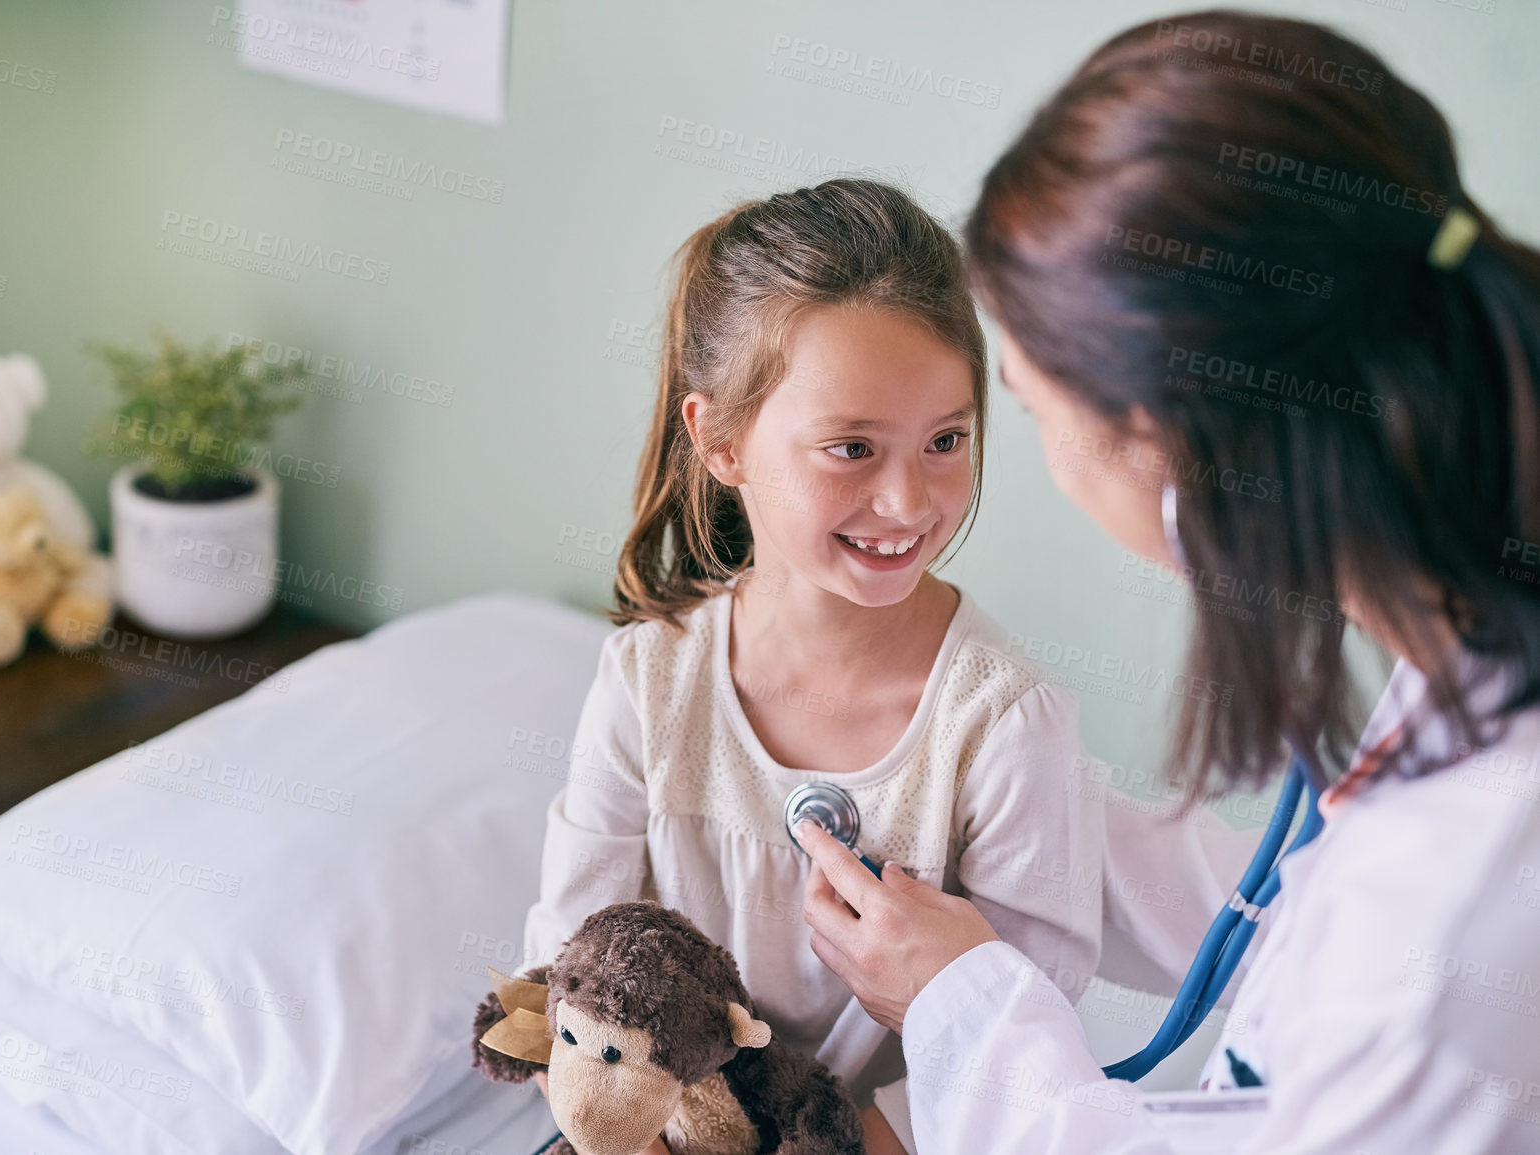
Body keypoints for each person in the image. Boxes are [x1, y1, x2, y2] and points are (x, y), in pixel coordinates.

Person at [796, 11, 1540, 1153]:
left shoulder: (1462, 911)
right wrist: (1014, 813)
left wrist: (964, 1006)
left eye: (1022, 413)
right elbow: (1301, 905)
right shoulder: (1475, 637)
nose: (908, 505)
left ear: (1175, 439)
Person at [519, 178, 1106, 1153]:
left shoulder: (1007, 724)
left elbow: (1015, 1050)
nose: (908, 500)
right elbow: (567, 971)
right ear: (721, 441)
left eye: (946, 441)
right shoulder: (647, 682)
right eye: (852, 448)